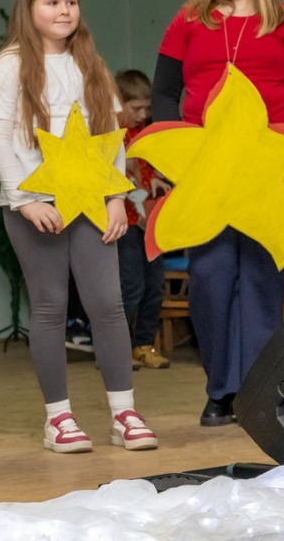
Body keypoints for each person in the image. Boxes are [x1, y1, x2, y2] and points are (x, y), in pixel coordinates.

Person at [151, 0, 284, 426]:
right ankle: (220, 388)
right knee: (210, 276)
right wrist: (178, 154)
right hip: (206, 173)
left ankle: (254, 388)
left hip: (268, 172)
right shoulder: (188, 20)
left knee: (261, 278)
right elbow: (164, 92)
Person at [0, 0, 157, 454]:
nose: (64, 11)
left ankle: (124, 413)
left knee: (108, 303)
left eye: (71, 1)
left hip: (92, 200)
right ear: (29, 7)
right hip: (37, 205)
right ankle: (58, 419)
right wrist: (24, 201)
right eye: (52, 2)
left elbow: (110, 136)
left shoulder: (91, 64)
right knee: (50, 305)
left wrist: (117, 197)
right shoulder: (10, 67)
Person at [115, 69, 170, 369]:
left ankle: (144, 344)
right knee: (131, 286)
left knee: (154, 286)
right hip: (125, 222)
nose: (143, 115)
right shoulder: (112, 136)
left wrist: (157, 181)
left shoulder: (146, 134)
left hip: (149, 222)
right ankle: (116, 348)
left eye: (147, 109)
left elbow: (150, 173)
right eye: (136, 108)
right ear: (119, 103)